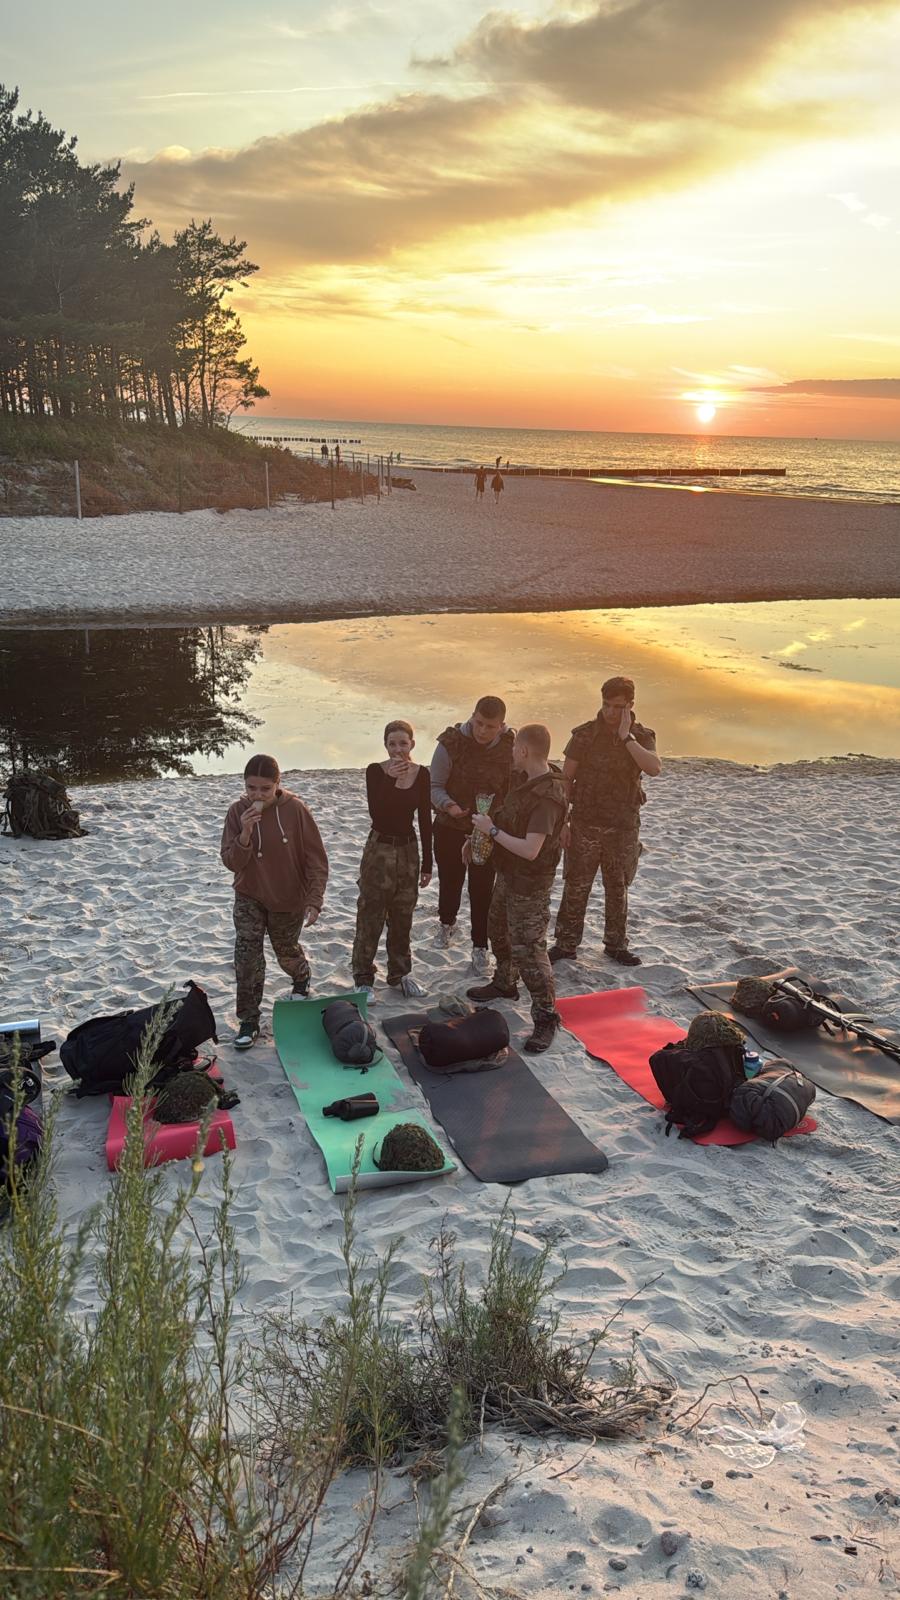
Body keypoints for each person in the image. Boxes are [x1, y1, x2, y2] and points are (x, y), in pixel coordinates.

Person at [465, 724, 567, 1052]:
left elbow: (530, 849)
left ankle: (546, 1015)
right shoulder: (526, 782)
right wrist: (479, 836)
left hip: (530, 883)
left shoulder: (548, 796)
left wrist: (491, 831)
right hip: (509, 875)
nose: (511, 753)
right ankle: (505, 982)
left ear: (523, 751)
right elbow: (510, 821)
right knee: (498, 929)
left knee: (530, 950)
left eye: (514, 749)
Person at [549, 676, 660, 968]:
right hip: (585, 823)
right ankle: (565, 944)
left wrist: (626, 737)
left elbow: (653, 768)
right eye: (606, 704)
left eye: (618, 707)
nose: (610, 712)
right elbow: (565, 779)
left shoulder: (641, 736)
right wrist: (563, 822)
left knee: (618, 887)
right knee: (576, 886)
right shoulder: (584, 735)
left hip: (622, 826)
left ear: (630, 705)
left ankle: (616, 945)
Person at [221, 754, 328, 1050]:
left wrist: (314, 899)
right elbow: (231, 862)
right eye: (251, 788)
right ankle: (249, 1020)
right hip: (249, 895)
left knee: (286, 952)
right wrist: (245, 833)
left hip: (288, 897)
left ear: (278, 784)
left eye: (265, 789)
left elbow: (316, 859)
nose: (257, 795)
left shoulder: (295, 810)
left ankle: (301, 978)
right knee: (247, 957)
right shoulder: (237, 812)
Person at [430, 695, 514, 975]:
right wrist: (448, 806)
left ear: (501, 725)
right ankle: (447, 923)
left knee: (482, 889)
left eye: (490, 726)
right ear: (473, 716)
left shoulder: (510, 747)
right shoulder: (450, 743)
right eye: (478, 723)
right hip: (450, 825)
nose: (482, 731)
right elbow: (434, 786)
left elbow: (516, 788)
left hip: (488, 831)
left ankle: (480, 945)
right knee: (450, 881)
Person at [351, 720, 433, 1004]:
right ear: (385, 745)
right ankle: (363, 978)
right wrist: (390, 780)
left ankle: (400, 974)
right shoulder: (376, 771)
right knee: (370, 914)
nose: (398, 749)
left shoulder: (422, 774)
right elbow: (378, 813)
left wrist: (427, 863)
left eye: (403, 743)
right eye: (392, 744)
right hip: (379, 848)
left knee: (403, 915)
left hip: (408, 850)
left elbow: (425, 819)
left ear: (412, 744)